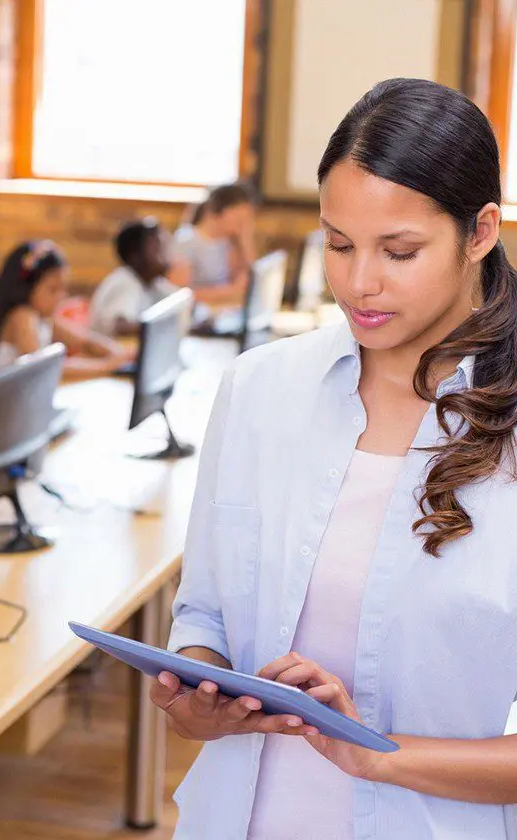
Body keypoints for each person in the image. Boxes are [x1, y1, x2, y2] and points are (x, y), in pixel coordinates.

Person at [150, 78, 517, 839]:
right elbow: (205, 610)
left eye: (400, 251)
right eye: (338, 244)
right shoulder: (260, 390)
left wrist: (374, 753)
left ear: (480, 232)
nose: (358, 283)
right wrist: (199, 694)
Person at [0, 241, 131, 382]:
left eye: (63, 289)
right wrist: (105, 367)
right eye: (52, 290)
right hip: (4, 405)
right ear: (26, 289)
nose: (60, 297)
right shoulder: (22, 316)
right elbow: (44, 368)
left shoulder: (44, 317)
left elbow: (86, 341)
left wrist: (120, 354)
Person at [172, 181, 256, 306]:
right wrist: (228, 292)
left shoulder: (226, 242)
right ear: (222, 212)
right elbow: (177, 294)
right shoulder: (187, 241)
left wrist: (245, 241)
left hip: (221, 312)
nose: (243, 224)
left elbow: (247, 280)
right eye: (240, 219)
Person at [90, 218, 177, 336]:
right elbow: (121, 327)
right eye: (157, 250)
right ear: (135, 256)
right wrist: (169, 326)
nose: (164, 258)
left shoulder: (153, 282)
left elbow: (182, 303)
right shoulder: (125, 282)